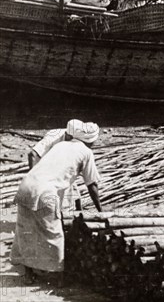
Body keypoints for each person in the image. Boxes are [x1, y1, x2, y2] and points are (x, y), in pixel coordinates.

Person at [11, 121, 102, 285]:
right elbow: (92, 185)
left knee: (26, 231)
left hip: (25, 185)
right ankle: (60, 278)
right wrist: (100, 211)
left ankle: (29, 274)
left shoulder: (62, 145)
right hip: (45, 192)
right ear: (91, 140)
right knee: (54, 234)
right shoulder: (86, 152)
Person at [28, 120, 84, 211]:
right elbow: (33, 154)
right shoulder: (53, 137)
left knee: (72, 190)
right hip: (47, 166)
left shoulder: (77, 138)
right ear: (67, 135)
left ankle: (79, 214)